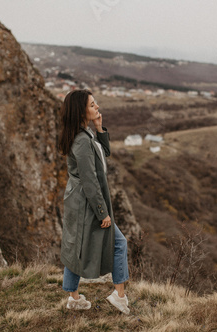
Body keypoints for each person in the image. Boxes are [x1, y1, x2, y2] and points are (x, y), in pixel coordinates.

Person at [58, 89, 130, 314]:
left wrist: (100, 129)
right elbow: (89, 181)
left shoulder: (85, 134)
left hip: (80, 202)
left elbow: (103, 154)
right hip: (86, 204)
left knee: (76, 248)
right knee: (119, 244)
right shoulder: (81, 141)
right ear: (81, 110)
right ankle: (119, 296)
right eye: (92, 104)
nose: (97, 107)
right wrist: (102, 212)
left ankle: (74, 297)